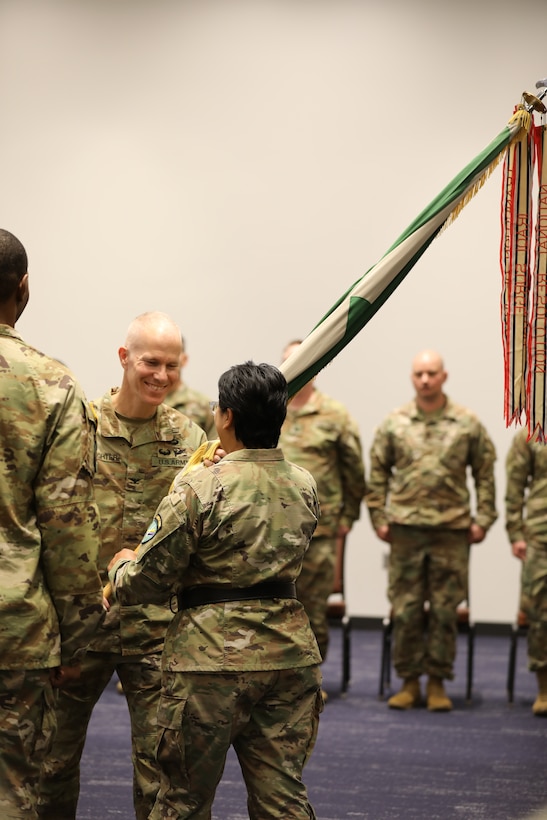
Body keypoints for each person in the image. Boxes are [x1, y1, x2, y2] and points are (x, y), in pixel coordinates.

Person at [107, 361, 323, 819]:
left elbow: (147, 580)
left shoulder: (200, 484)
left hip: (209, 661)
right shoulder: (304, 484)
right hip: (289, 655)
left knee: (182, 799)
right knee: (283, 798)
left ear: (225, 416)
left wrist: (119, 570)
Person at [38, 312, 207, 820]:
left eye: (171, 365)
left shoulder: (189, 439)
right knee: (52, 763)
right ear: (124, 358)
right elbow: (53, 518)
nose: (160, 375)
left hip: (156, 628)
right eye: (150, 362)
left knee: (161, 770)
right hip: (83, 624)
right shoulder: (81, 428)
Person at [0, 228, 105, 818]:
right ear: (24, 287)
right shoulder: (52, 385)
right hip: (16, 630)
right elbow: (67, 525)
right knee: (16, 791)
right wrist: (79, 637)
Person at [366, 349, 497, 711]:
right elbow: (377, 472)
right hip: (405, 529)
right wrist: (379, 517)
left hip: (451, 530)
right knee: (405, 609)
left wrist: (483, 519)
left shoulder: (466, 423)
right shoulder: (395, 423)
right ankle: (408, 682)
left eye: (432, 373)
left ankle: (438, 682)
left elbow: (485, 471)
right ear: (412, 378)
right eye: (419, 373)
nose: (425, 379)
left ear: (444, 376)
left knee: (444, 609)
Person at [278, 340, 366, 664]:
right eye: (291, 360)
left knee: (313, 608)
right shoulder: (268, 410)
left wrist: (348, 518)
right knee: (274, 607)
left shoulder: (335, 415)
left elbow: (354, 471)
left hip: (321, 530)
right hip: (271, 529)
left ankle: (312, 678)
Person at [505, 427, 547, 716]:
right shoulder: (533, 431)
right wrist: (515, 532)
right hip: (541, 535)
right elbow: (514, 485)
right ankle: (544, 688)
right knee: (541, 613)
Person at [164, 335, 216, 437]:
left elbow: (215, 448)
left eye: (172, 358)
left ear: (184, 359)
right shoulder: (144, 403)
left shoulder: (205, 406)